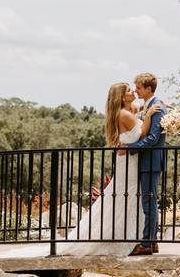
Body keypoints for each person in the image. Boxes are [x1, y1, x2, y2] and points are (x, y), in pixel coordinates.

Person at [56, 82, 161, 255]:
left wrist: (157, 104)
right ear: (121, 97)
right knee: (126, 197)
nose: (133, 91)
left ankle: (141, 238)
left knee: (131, 197)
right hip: (129, 162)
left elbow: (140, 104)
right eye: (128, 90)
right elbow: (142, 133)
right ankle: (129, 238)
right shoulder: (124, 114)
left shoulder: (129, 110)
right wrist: (149, 116)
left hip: (130, 160)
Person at [123, 72, 166, 256]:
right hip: (148, 160)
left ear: (149, 89)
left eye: (139, 88)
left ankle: (147, 243)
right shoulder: (150, 106)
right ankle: (152, 242)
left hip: (151, 160)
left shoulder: (157, 108)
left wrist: (130, 148)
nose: (136, 91)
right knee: (149, 200)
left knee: (149, 202)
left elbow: (153, 139)